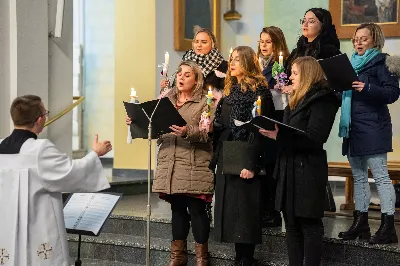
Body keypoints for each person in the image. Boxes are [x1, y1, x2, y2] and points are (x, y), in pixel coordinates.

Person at [0, 95, 112, 266]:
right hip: (36, 227)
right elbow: (72, 172)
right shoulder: (39, 149)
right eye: (45, 113)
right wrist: (95, 154)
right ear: (39, 120)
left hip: (6, 229)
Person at [127, 61, 214, 265]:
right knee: (177, 208)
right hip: (170, 161)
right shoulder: (165, 100)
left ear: (197, 80)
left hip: (193, 162)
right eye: (179, 74)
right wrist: (137, 122)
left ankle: (202, 258)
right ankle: (177, 256)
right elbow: (153, 128)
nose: (181, 78)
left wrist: (187, 131)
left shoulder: (205, 102)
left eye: (187, 75)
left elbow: (208, 133)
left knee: (196, 208)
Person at [260, 56, 339, 266]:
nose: (290, 77)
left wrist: (281, 137)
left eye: (294, 73)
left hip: (307, 169)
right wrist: (273, 133)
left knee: (309, 225)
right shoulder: (295, 100)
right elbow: (287, 132)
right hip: (288, 167)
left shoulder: (323, 100)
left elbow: (316, 137)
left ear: (307, 74)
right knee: (292, 225)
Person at [211, 46, 274, 265]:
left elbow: (261, 129)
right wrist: (210, 123)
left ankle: (247, 259)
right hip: (228, 154)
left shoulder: (260, 90)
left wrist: (251, 163)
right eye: (231, 59)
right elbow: (222, 123)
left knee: (245, 211)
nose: (232, 63)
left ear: (248, 62)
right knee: (231, 210)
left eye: (238, 59)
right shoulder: (230, 90)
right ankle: (239, 258)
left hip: (247, 155)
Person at [337, 23, 400, 244]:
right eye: (356, 39)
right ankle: (360, 223)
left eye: (364, 39)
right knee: (359, 177)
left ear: (375, 40)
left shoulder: (383, 62)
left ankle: (388, 227)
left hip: (374, 127)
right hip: (353, 128)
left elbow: (393, 93)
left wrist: (368, 88)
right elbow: (344, 96)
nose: (358, 42)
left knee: (381, 177)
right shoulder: (350, 64)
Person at [257, 25, 290, 228]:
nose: (263, 45)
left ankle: (273, 211)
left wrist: (280, 86)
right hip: (259, 115)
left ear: (277, 43)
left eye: (268, 42)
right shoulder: (255, 63)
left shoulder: (282, 65)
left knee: (271, 166)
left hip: (275, 115)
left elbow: (283, 95)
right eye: (261, 41)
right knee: (260, 164)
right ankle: (262, 209)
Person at [160, 27, 228, 103]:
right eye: (196, 41)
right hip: (184, 105)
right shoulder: (186, 61)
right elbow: (176, 89)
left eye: (204, 42)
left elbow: (225, 92)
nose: (199, 45)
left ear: (212, 44)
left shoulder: (222, 64)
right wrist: (167, 87)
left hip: (208, 108)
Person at [284, 7, 341, 89]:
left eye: (311, 21)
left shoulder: (330, 51)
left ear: (323, 25)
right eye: (304, 21)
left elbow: (329, 83)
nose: (305, 24)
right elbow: (288, 75)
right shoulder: (297, 51)